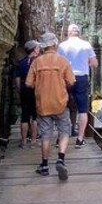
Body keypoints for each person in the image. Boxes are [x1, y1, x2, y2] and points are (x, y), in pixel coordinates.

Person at [26, 32, 75, 180]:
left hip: (43, 104)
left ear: (43, 46)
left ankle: (45, 165)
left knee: (46, 135)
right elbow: (71, 81)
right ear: (55, 44)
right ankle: (61, 158)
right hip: (60, 102)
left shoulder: (36, 62)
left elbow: (28, 83)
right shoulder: (63, 61)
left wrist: (40, 84)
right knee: (64, 131)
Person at [58, 24, 97, 148]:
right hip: (81, 78)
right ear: (78, 33)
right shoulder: (86, 45)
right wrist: (85, 62)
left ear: (68, 33)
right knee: (82, 109)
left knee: (62, 107)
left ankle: (61, 137)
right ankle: (80, 139)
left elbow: (58, 63)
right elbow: (94, 63)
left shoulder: (62, 46)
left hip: (65, 78)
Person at [14, 40, 40, 148]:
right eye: (38, 47)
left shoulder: (21, 62)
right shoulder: (38, 62)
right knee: (35, 116)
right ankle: (33, 140)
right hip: (35, 90)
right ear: (34, 49)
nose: (39, 49)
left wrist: (20, 90)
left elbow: (17, 79)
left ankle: (24, 141)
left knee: (24, 115)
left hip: (25, 90)